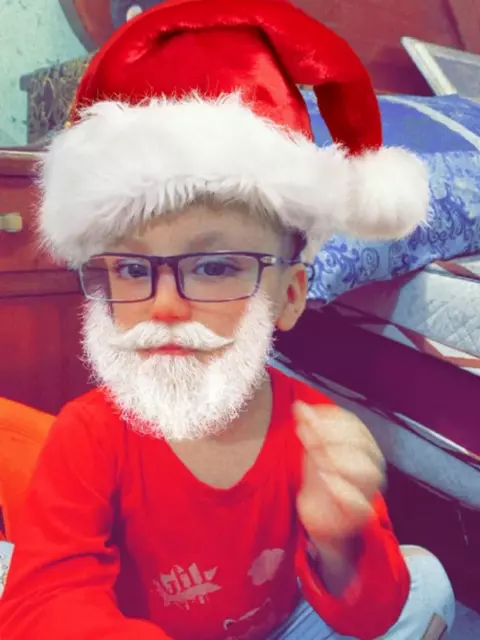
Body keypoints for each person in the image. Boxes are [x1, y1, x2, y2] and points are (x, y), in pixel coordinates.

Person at [0, 1, 454, 638]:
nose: (163, 307)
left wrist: (342, 541)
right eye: (129, 268)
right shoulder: (90, 435)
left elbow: (372, 609)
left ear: (289, 296)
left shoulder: (315, 432)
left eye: (213, 267)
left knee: (425, 580)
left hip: (276, 623)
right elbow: (43, 603)